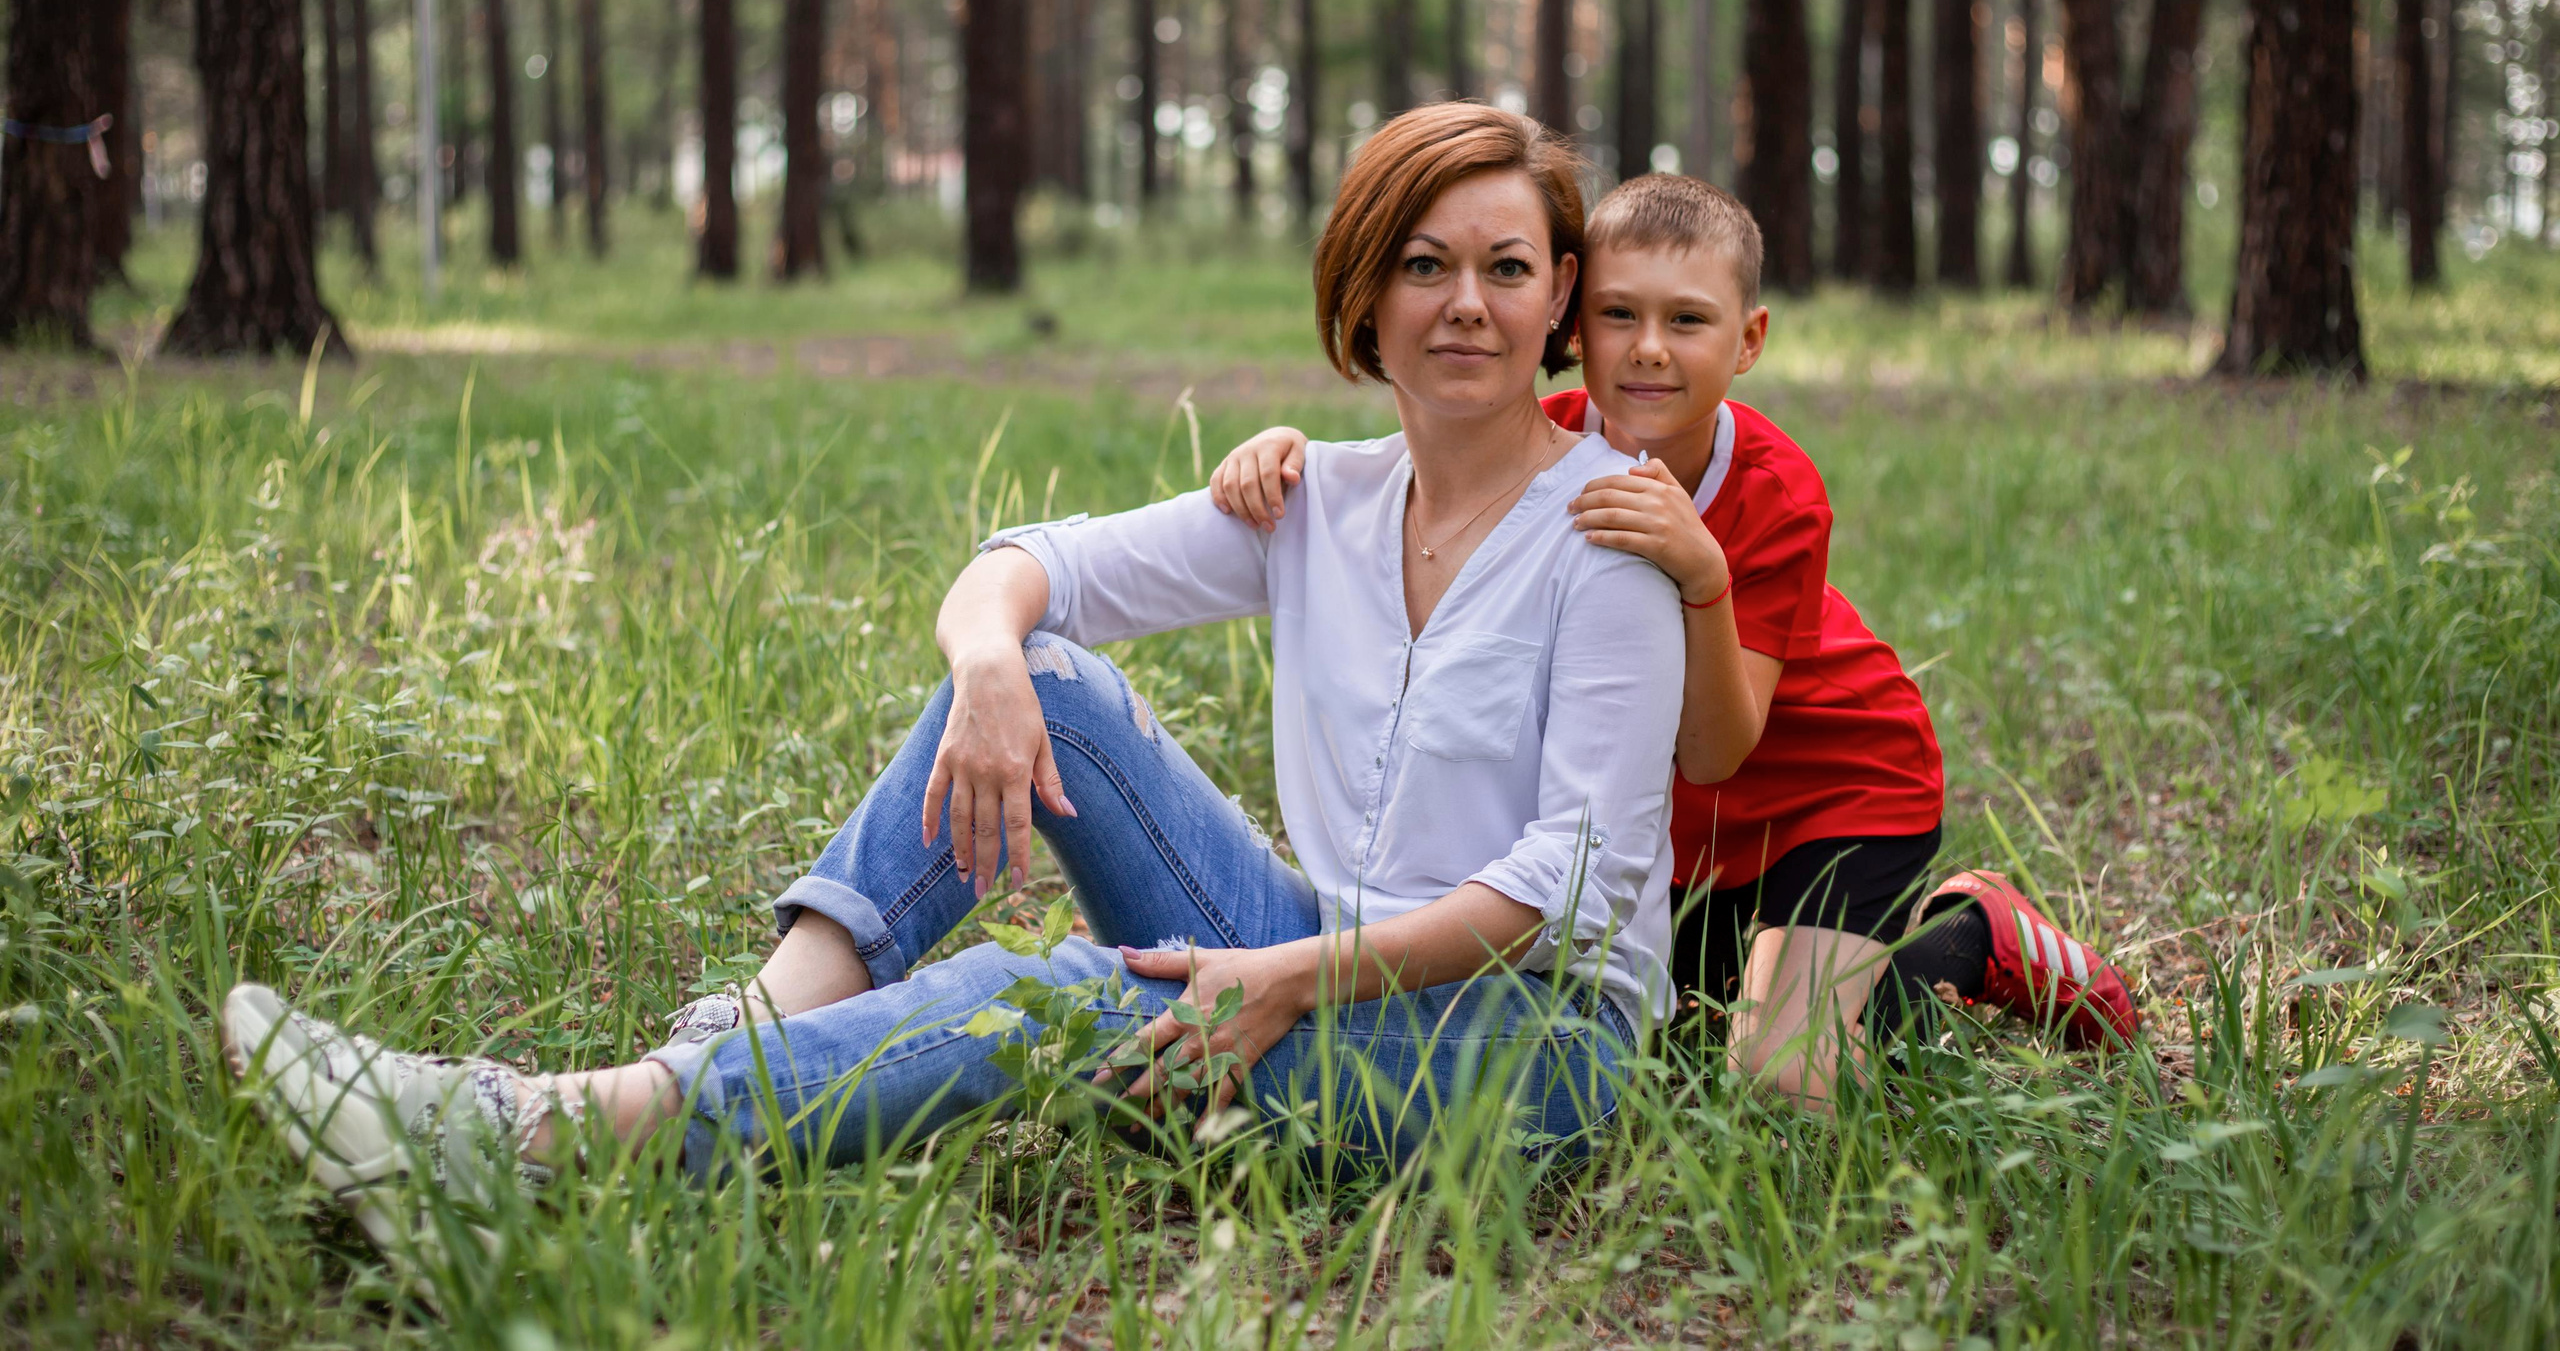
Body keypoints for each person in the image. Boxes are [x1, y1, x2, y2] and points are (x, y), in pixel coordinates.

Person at [221, 104, 1686, 1260]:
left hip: (1530, 1041)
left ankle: (553, 1137)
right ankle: (750, 1032)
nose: (1466, 305)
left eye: (1507, 267)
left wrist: (1282, 976)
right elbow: (1030, 559)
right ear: (1363, 289)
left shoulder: (1610, 534)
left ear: (1563, 291)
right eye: (1424, 263)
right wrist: (988, 661)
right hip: (1328, 943)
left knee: (1073, 991)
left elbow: (1572, 881)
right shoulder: (1324, 500)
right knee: (1045, 669)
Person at [1210, 174, 2139, 1108]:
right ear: (1574, 324)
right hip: (1682, 835)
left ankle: (1973, 931)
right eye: (1620, 314)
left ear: (1749, 340)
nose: (1649, 349)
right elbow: (1409, 475)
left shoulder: (1774, 489)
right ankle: (1797, 979)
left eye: (1688, 321)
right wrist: (1286, 451)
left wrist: (1706, 576)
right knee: (1668, 1024)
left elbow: (1716, 750)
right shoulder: (1549, 445)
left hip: (1834, 797)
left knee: (1778, 1079)